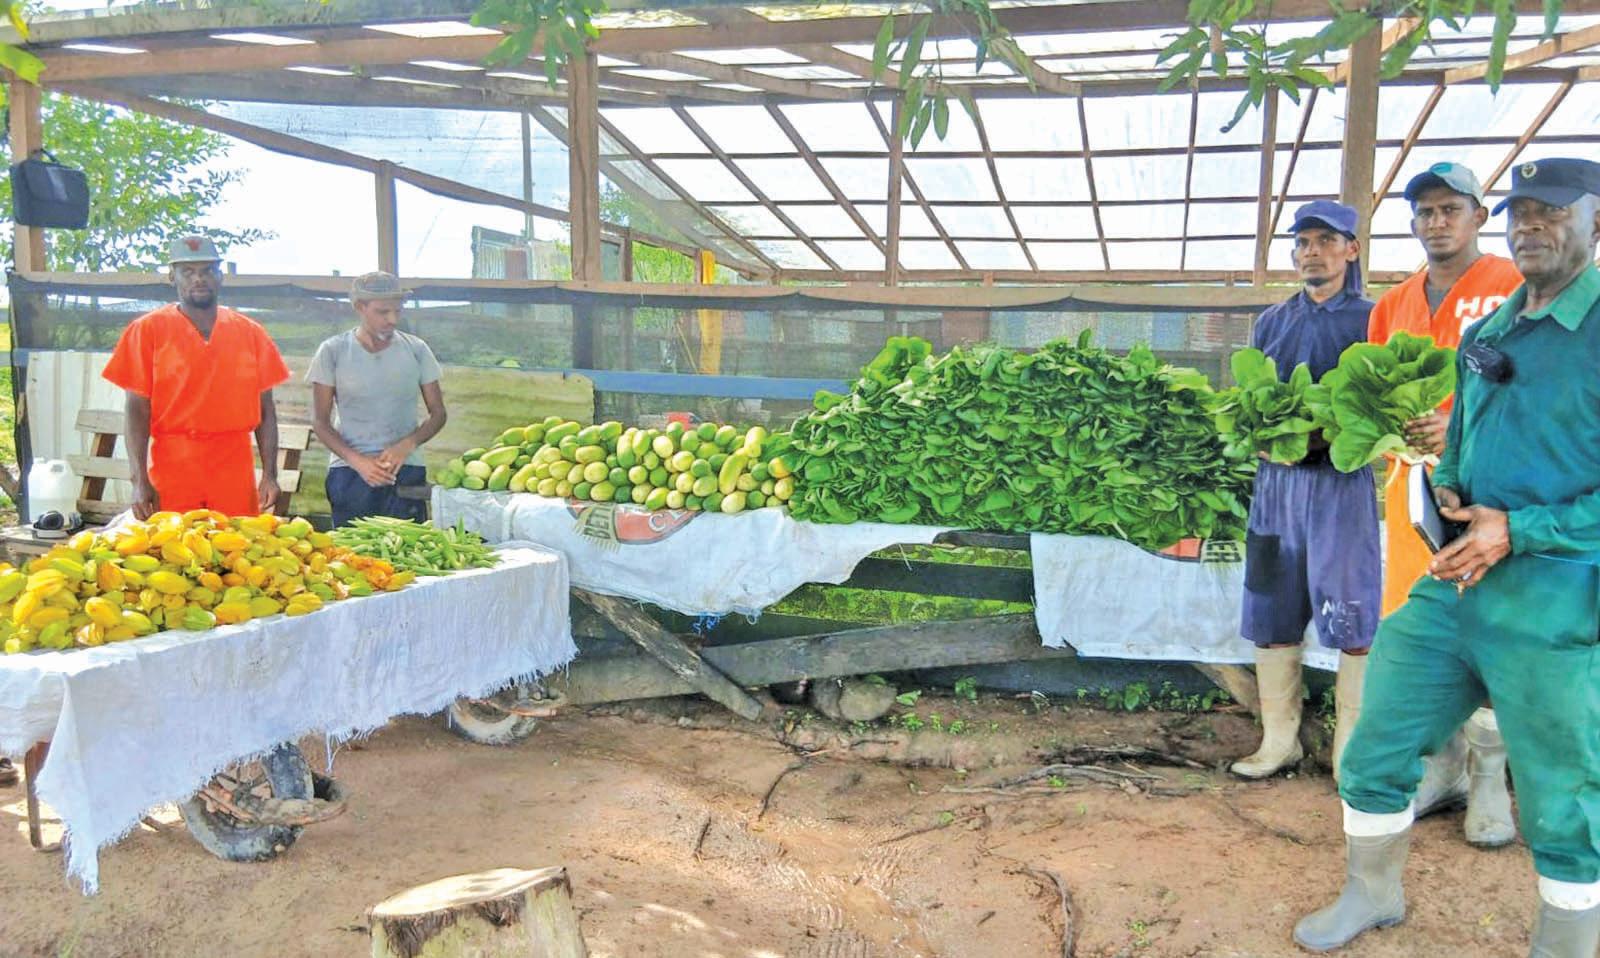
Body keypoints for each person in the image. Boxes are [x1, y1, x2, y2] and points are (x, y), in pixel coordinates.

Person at [1293, 157, 1600, 957]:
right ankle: (1372, 890)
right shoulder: (1491, 330)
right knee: (1376, 745)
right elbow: (1459, 441)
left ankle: (1568, 941)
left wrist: (1519, 530)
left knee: (1564, 791)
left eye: (1554, 212)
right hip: (1457, 583)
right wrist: (1453, 488)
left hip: (1555, 596)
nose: (1532, 226)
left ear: (1596, 222)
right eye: (1522, 212)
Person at [1367, 162, 1523, 849]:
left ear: (1479, 216)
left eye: (1450, 209)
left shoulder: (1513, 285)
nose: (1437, 222)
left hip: (1489, 489)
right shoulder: (1393, 303)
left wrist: (1454, 421)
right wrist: (1388, 431)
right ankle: (1445, 767)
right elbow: (1371, 391)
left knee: (1491, 623)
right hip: (1411, 494)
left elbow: (1533, 385)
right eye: (1425, 211)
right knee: (1423, 625)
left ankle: (1490, 779)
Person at [1232, 200, 1380, 784]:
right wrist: (1261, 438)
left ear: (1351, 249)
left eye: (1325, 240)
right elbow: (1251, 401)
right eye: (1302, 242)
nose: (1311, 252)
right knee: (1271, 607)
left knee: (1353, 613)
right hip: (1275, 489)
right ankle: (1279, 743)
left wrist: (1332, 438)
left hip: (1341, 485)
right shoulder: (1271, 322)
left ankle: (1350, 753)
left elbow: (1383, 405)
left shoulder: (1373, 319)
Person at [102, 236, 291, 519]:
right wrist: (139, 480)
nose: (198, 279)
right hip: (174, 464)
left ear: (220, 276)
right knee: (173, 542)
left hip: (234, 466)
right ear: (172, 277)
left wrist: (270, 475)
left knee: (236, 542)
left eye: (207, 271)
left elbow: (266, 411)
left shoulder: (250, 333)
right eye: (188, 272)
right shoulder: (147, 330)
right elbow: (136, 410)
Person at [307, 272, 447, 527]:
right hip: (349, 472)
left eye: (397, 311)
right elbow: (320, 422)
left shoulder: (417, 349)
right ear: (360, 307)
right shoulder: (333, 351)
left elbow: (438, 414)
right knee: (353, 550)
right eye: (383, 312)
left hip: (405, 469)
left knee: (409, 548)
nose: (392, 319)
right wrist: (358, 462)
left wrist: (406, 445)